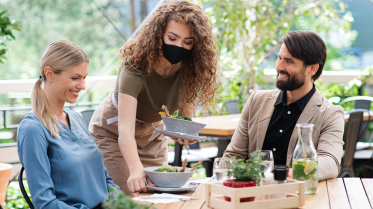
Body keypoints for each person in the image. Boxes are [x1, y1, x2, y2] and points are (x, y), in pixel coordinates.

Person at [89, 0, 219, 196]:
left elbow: (183, 118)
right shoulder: (135, 66)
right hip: (114, 133)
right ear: (159, 33)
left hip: (152, 136)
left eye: (187, 42)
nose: (179, 46)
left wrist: (182, 133)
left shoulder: (191, 70)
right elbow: (125, 129)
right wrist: (135, 170)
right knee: (128, 196)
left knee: (160, 196)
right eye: (172, 38)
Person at [221, 31, 344, 181]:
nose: (279, 67)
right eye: (279, 58)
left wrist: (290, 175)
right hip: (252, 197)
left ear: (312, 69)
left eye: (289, 61)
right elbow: (233, 156)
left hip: (298, 196)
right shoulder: (256, 101)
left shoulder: (330, 113)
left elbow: (330, 161)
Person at [17, 40, 120, 209]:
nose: (83, 86)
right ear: (49, 73)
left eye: (84, 77)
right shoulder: (32, 129)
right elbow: (45, 203)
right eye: (75, 78)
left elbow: (104, 178)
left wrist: (123, 204)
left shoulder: (76, 118)